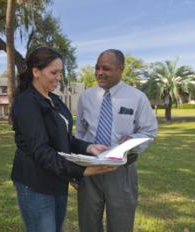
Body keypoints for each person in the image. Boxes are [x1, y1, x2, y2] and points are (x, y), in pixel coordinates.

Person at [11, 47, 117, 232]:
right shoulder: (27, 103)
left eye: (60, 72)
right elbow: (42, 152)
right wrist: (83, 171)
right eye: (54, 72)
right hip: (36, 184)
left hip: (57, 180)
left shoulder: (54, 99)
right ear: (35, 71)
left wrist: (89, 147)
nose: (59, 77)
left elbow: (65, 138)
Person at [75, 49, 158, 232]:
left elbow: (149, 131)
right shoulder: (86, 97)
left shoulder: (137, 97)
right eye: (97, 68)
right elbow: (80, 133)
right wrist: (77, 169)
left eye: (106, 68)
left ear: (121, 69)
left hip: (122, 171)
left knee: (121, 225)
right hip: (91, 170)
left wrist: (134, 139)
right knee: (88, 224)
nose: (99, 72)